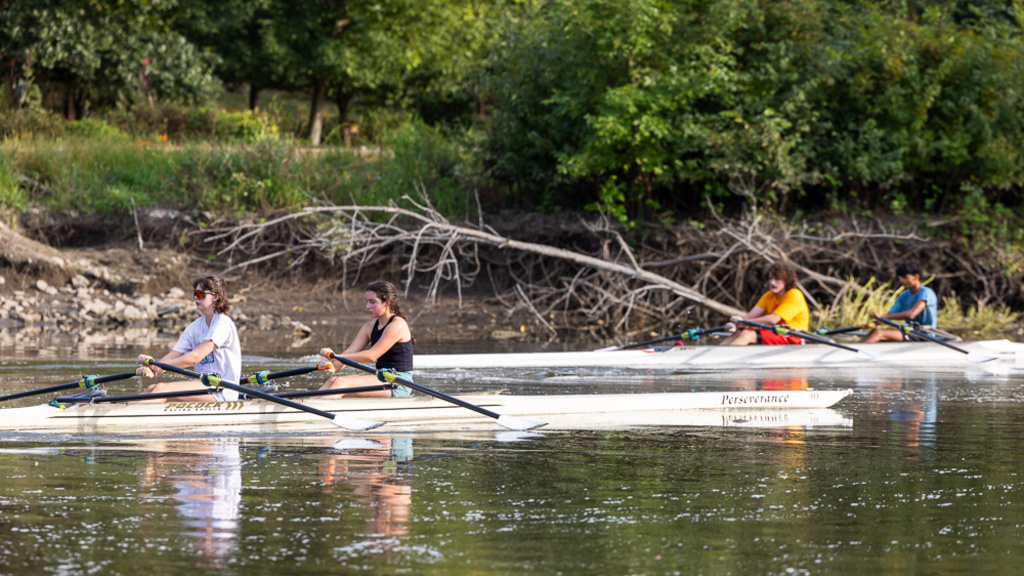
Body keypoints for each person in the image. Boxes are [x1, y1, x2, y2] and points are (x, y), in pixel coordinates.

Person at [136, 276, 242, 402]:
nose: (196, 297)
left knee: (161, 389)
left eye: (200, 294)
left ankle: (125, 419)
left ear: (216, 297)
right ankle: (120, 412)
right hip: (203, 384)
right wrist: (153, 368)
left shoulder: (223, 323)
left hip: (222, 390)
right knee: (151, 388)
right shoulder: (194, 327)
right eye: (195, 294)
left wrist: (159, 367)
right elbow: (172, 356)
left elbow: (194, 358)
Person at [319, 281, 414, 398]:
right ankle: (305, 407)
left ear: (387, 302)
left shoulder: (397, 325)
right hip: (382, 377)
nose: (367, 306)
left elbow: (371, 356)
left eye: (372, 302)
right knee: (333, 381)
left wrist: (335, 355)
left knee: (340, 383)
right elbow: (350, 353)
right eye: (367, 301)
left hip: (399, 382)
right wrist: (334, 365)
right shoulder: (369, 327)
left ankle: (310, 414)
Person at [721, 262, 809, 346]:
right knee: (739, 331)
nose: (772, 282)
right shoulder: (768, 296)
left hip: (795, 336)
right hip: (777, 333)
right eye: (770, 278)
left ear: (786, 281)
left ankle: (724, 359)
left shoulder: (794, 294)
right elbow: (748, 318)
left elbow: (772, 320)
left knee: (747, 334)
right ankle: (714, 358)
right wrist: (737, 324)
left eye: (777, 279)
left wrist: (744, 322)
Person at [859, 261, 938, 343]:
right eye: (900, 278)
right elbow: (889, 316)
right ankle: (853, 353)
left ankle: (856, 354)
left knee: (879, 333)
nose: (901, 281)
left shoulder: (926, 293)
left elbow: (911, 314)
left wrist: (883, 317)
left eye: (905, 277)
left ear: (916, 277)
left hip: (925, 334)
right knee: (874, 332)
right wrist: (876, 322)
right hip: (909, 331)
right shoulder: (904, 295)